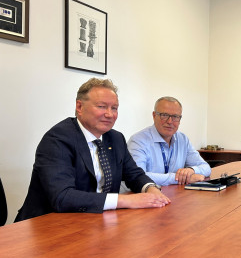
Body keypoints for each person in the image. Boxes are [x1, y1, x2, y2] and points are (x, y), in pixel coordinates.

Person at [15, 78, 171, 222]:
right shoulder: (57, 139)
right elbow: (62, 197)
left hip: (95, 221)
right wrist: (126, 200)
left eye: (114, 108)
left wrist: (150, 188)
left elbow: (134, 174)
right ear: (79, 107)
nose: (109, 114)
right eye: (102, 106)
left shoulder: (116, 138)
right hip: (48, 224)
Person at [127, 96, 211, 186]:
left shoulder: (183, 139)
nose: (170, 121)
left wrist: (191, 170)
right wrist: (178, 178)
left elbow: (206, 168)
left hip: (175, 192)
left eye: (175, 117)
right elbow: (138, 176)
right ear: (154, 116)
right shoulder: (138, 141)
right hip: (146, 193)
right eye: (164, 115)